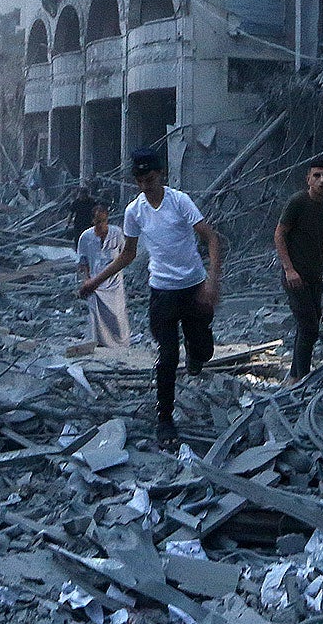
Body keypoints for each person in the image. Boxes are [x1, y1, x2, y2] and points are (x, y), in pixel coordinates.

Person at [79, 147, 221, 445]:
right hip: (162, 291)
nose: (146, 186)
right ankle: (165, 419)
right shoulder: (134, 211)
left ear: (162, 175)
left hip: (193, 285)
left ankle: (197, 356)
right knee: (167, 356)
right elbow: (127, 254)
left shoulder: (179, 201)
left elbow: (211, 238)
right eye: (141, 180)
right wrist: (95, 281)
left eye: (151, 179)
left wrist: (211, 282)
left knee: (202, 349)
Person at [274, 159, 323, 381]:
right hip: (295, 275)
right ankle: (302, 378)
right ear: (308, 179)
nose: (321, 181)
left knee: (309, 323)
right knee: (309, 327)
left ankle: (294, 376)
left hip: (314, 275)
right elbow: (279, 234)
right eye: (316, 176)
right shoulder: (298, 202)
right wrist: (289, 269)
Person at [76, 204, 129, 349]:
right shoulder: (85, 237)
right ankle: (99, 344)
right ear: (93, 221)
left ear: (107, 220)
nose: (100, 225)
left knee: (117, 315)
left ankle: (120, 344)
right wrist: (86, 280)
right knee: (96, 316)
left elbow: (124, 255)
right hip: (95, 283)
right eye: (97, 221)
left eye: (103, 221)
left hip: (114, 282)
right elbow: (82, 262)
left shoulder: (117, 234)